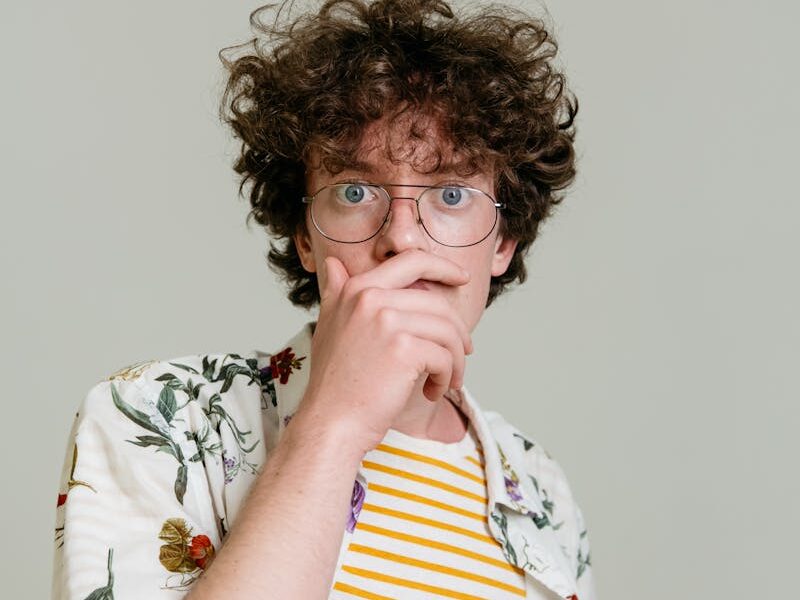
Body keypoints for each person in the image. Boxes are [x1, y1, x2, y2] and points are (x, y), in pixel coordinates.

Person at [52, 0, 595, 598]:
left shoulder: (542, 490)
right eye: (356, 190)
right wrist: (332, 425)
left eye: (451, 194)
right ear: (305, 237)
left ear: (503, 243)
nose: (402, 237)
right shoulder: (156, 417)